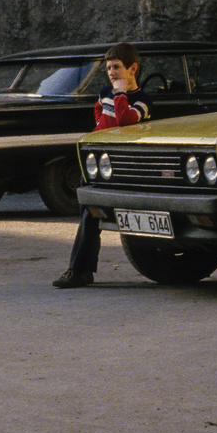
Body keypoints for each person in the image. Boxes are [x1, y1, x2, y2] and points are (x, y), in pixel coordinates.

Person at [52, 43, 153, 289]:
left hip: (123, 165)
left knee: (91, 213)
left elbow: (126, 121)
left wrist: (120, 94)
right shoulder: (105, 92)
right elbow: (99, 108)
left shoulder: (141, 100)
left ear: (133, 69)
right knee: (89, 212)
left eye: (117, 67)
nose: (111, 73)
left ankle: (79, 270)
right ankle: (82, 270)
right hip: (99, 160)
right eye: (108, 68)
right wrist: (99, 122)